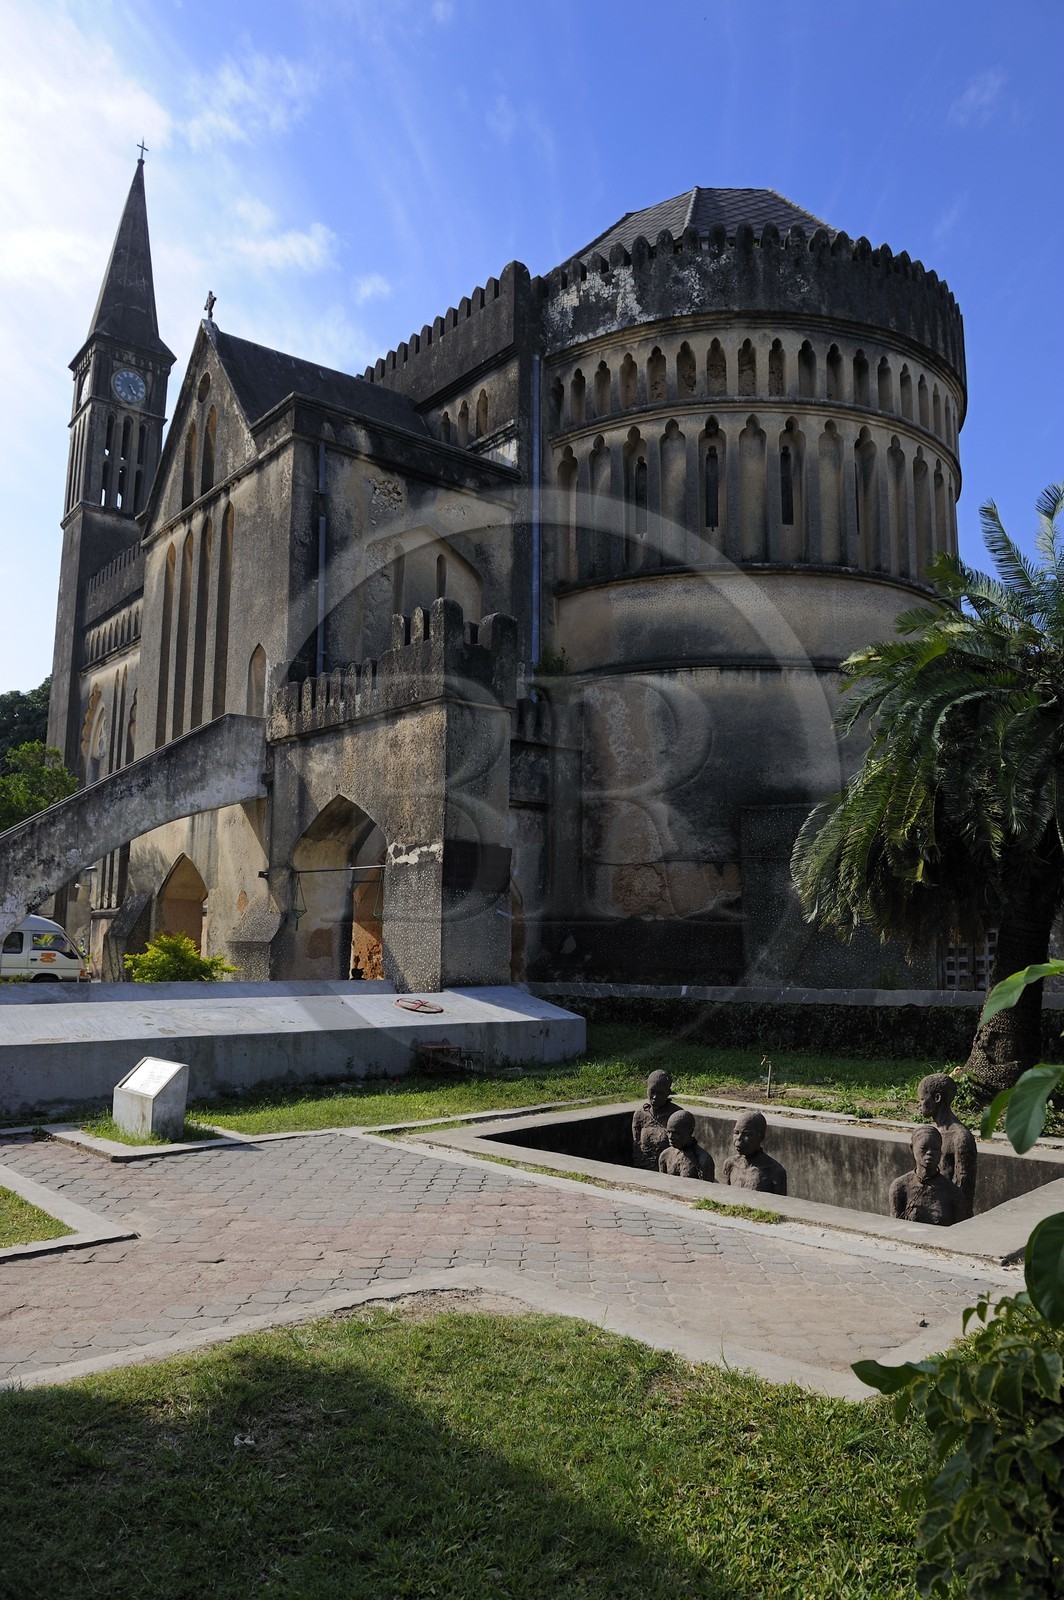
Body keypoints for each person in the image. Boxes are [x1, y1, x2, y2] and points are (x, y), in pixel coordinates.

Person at [917, 1073, 976, 1218]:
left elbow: (964, 1188)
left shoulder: (960, 1137)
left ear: (937, 1098)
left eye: (922, 1099)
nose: (918, 1105)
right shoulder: (933, 1132)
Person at [889, 1126, 965, 1226]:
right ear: (912, 1148)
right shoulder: (899, 1187)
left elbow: (960, 1231)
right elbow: (895, 1227)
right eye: (923, 1148)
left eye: (935, 1149)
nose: (929, 1153)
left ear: (940, 1152)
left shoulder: (952, 1192)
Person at [721, 1111, 787, 1194]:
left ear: (761, 1136)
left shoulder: (775, 1171)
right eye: (736, 1133)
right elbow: (724, 1196)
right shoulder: (730, 1164)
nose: (738, 1139)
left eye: (746, 1134)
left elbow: (780, 1204)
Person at [631, 1070, 679, 1170]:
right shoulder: (640, 1115)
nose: (655, 1097)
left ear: (668, 1093)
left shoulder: (676, 1115)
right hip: (643, 1168)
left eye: (660, 1093)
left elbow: (681, 1151)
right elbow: (637, 1147)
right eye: (652, 1091)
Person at [658, 1109, 715, 1181]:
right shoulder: (665, 1156)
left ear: (690, 1131)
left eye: (677, 1133)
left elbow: (707, 1189)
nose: (670, 1137)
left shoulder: (703, 1160)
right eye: (668, 1132)